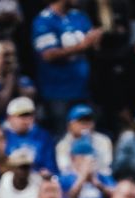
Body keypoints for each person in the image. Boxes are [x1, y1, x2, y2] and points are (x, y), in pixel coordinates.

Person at [31, 0, 100, 134]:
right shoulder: (43, 20)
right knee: (62, 136)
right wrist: (82, 46)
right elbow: (48, 55)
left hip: (83, 89)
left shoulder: (79, 16)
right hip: (58, 92)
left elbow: (93, 44)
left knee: (86, 135)